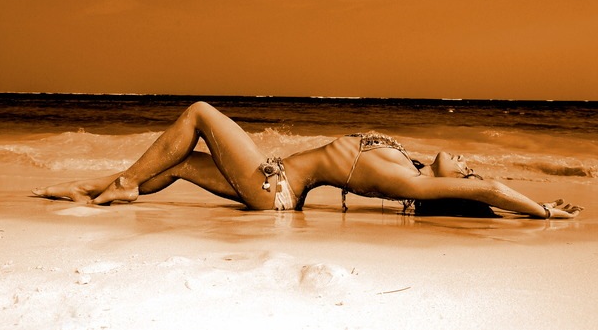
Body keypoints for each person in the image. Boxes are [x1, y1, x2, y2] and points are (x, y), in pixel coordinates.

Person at [32, 102, 583, 219]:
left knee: (199, 112)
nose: (463, 160)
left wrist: (542, 211)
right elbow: (482, 186)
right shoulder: (408, 165)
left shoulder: (414, 185)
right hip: (274, 188)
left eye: (465, 166)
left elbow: (488, 190)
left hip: (272, 188)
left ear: (453, 186)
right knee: (176, 164)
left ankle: (122, 183)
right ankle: (93, 188)